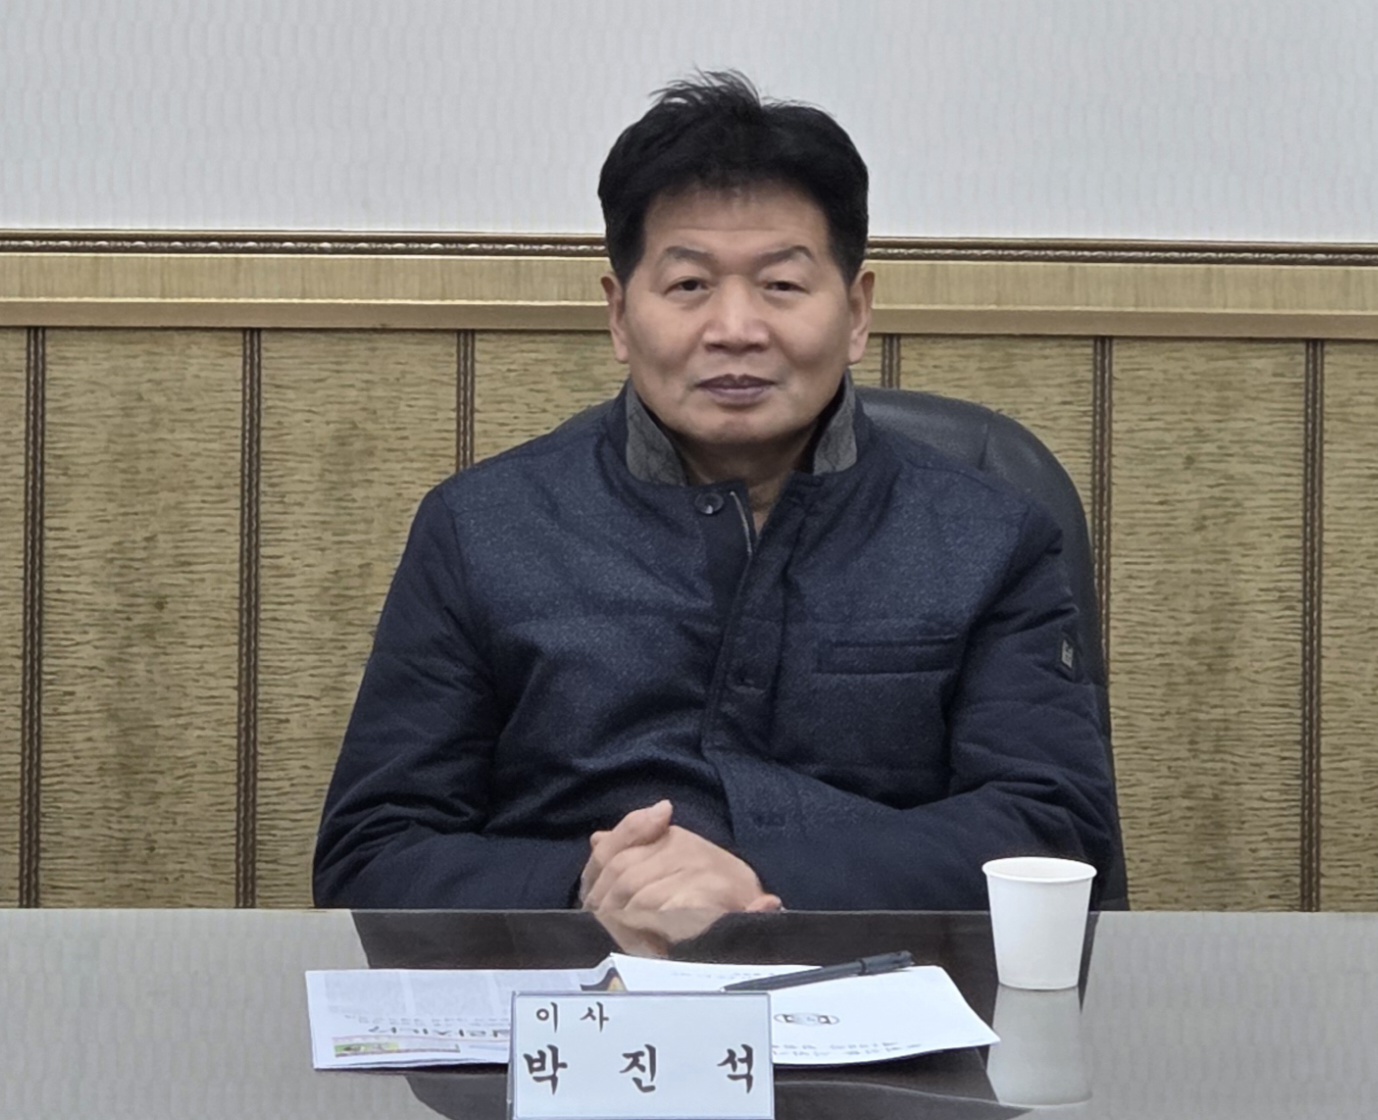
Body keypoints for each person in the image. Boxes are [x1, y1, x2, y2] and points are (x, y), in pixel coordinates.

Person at [313, 72, 1121, 918]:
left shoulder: (988, 535)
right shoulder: (481, 529)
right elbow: (375, 852)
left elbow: (1055, 829)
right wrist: (592, 887)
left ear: (857, 312)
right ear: (620, 315)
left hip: (874, 981)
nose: (735, 329)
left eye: (781, 285)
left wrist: (761, 882)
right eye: (690, 286)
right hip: (575, 977)